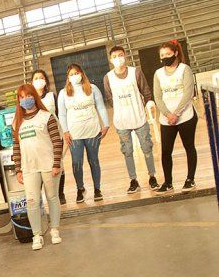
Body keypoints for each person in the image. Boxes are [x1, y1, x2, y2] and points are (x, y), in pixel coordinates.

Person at [12, 84, 64, 251]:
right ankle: (36, 235)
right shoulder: (17, 122)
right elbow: (16, 148)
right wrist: (18, 169)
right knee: (32, 201)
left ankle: (54, 229)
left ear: (34, 96)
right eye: (21, 97)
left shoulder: (47, 117)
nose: (25, 99)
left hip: (49, 165)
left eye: (28, 96)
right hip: (29, 168)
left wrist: (56, 164)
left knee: (52, 197)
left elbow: (57, 141)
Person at [104, 46, 160, 193]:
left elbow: (146, 91)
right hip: (121, 121)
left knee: (146, 147)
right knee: (127, 151)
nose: (118, 58)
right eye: (115, 56)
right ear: (111, 60)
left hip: (139, 118)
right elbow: (109, 98)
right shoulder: (108, 77)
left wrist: (147, 106)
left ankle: (152, 176)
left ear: (125, 56)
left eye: (120, 55)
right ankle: (133, 180)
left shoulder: (136, 72)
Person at [58, 63, 109, 203]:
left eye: (76, 73)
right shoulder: (63, 93)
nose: (74, 76)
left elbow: (101, 107)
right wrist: (65, 131)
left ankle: (97, 189)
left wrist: (106, 124)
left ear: (82, 73)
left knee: (94, 161)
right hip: (74, 134)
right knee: (76, 162)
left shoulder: (92, 88)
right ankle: (80, 188)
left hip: (92, 131)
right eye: (71, 74)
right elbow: (62, 114)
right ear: (68, 77)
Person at [154, 39, 198, 194]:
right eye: (162, 55)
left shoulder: (185, 69)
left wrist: (176, 113)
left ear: (176, 53)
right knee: (166, 151)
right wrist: (168, 114)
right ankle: (168, 183)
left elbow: (188, 93)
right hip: (166, 119)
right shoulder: (158, 73)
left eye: (168, 54)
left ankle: (190, 179)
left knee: (189, 147)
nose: (165, 57)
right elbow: (157, 96)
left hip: (185, 117)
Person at [31, 69, 66, 205]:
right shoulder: (30, 99)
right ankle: (41, 195)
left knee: (58, 163)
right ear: (31, 82)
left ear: (45, 80)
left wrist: (64, 132)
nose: (39, 80)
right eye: (36, 78)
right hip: (39, 137)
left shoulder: (52, 96)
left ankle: (60, 193)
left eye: (41, 77)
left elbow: (59, 114)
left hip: (55, 134)